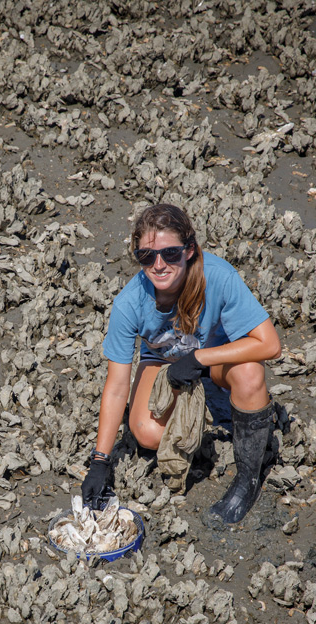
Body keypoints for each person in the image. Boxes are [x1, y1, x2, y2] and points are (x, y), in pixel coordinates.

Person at [80, 203, 286, 526]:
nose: (159, 265)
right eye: (147, 256)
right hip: (161, 362)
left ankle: (247, 480)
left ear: (189, 249)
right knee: (146, 433)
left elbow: (270, 345)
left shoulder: (218, 276)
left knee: (250, 373)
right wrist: (100, 461)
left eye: (170, 253)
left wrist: (200, 358)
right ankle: (208, 415)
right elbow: (117, 385)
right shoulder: (129, 303)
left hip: (213, 359)